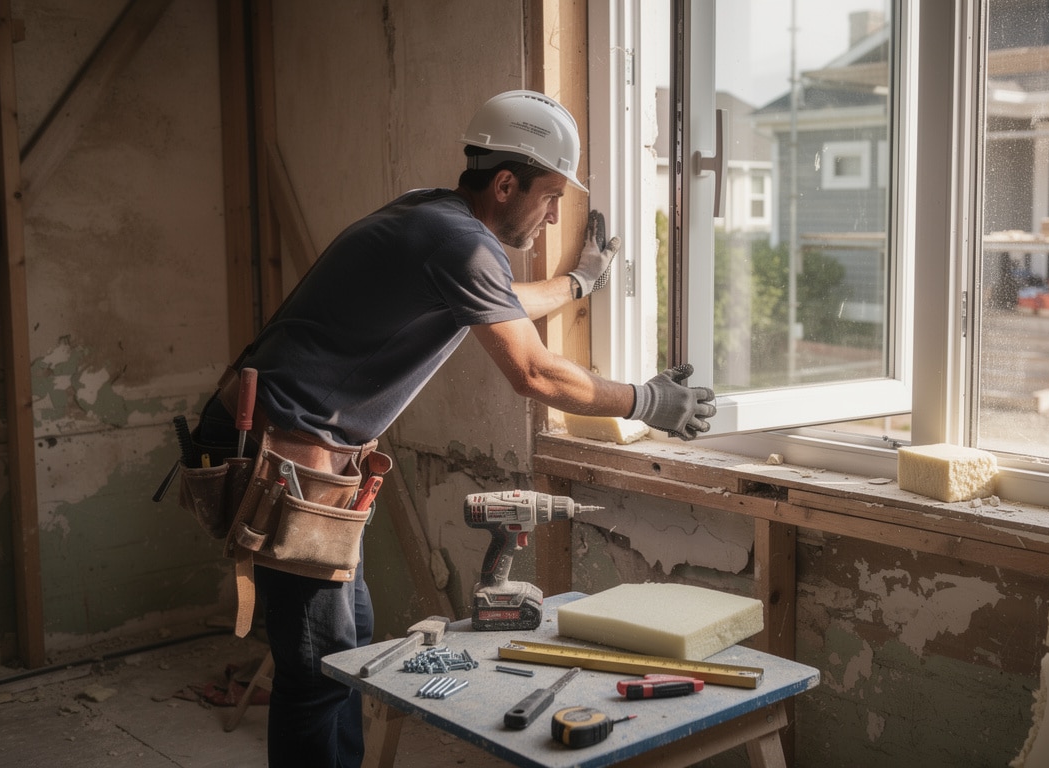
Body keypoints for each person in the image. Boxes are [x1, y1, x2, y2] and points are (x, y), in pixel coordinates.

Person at [193, 89, 716, 767]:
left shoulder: (435, 218)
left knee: (346, 653)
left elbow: (497, 300)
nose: (555, 211)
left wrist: (580, 284)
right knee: (319, 668)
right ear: (506, 183)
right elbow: (534, 373)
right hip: (283, 458)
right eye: (550, 194)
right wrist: (647, 402)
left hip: (306, 457)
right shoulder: (456, 241)